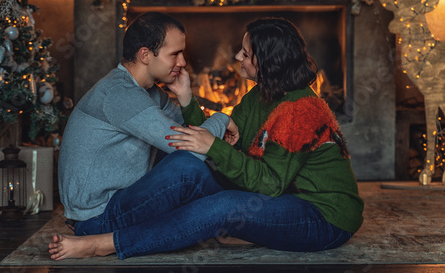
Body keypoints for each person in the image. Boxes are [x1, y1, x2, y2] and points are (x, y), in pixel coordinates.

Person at [50, 16, 363, 260]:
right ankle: (235, 225)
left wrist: (214, 137)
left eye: (246, 52)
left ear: (268, 62)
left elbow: (269, 183)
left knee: (223, 206)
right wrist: (188, 100)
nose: (238, 55)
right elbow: (202, 144)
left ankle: (107, 244)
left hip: (322, 215)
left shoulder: (300, 109)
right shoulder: (259, 97)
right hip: (279, 199)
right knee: (194, 172)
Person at [49, 12, 231, 260]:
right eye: (175, 54)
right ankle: (233, 218)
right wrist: (223, 119)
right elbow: (191, 150)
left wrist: (186, 95)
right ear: (145, 55)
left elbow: (194, 135)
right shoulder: (120, 93)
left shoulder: (151, 93)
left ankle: (229, 216)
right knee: (187, 168)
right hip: (96, 219)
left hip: (121, 204)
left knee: (195, 181)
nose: (183, 62)